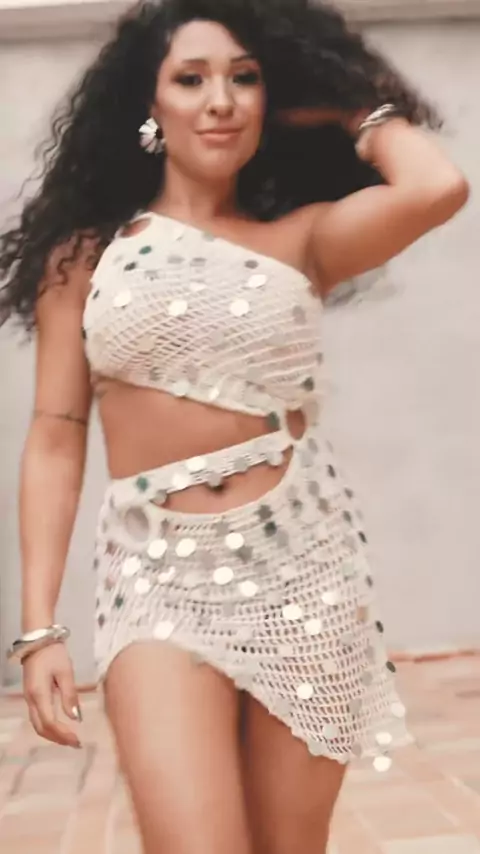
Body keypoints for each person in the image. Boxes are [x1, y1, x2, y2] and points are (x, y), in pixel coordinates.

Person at [1, 1, 469, 852]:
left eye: (245, 78)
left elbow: (437, 188)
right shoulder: (84, 256)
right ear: (148, 104)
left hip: (303, 568)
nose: (220, 100)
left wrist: (350, 102)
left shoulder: (303, 238)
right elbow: (57, 436)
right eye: (191, 79)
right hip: (155, 576)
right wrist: (38, 631)